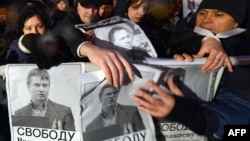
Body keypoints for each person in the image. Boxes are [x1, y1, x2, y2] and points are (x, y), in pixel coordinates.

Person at [132, 0, 250, 140]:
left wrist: (185, 112)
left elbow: (238, 125)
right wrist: (207, 40)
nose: (206, 19)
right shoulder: (178, 40)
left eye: (218, 15)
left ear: (237, 22)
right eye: (202, 13)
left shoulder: (242, 55)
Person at [50, 0, 134, 88]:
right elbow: (62, 30)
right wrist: (87, 47)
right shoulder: (66, 20)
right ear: (76, 4)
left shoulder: (100, 21)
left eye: (95, 7)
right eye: (86, 6)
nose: (90, 12)